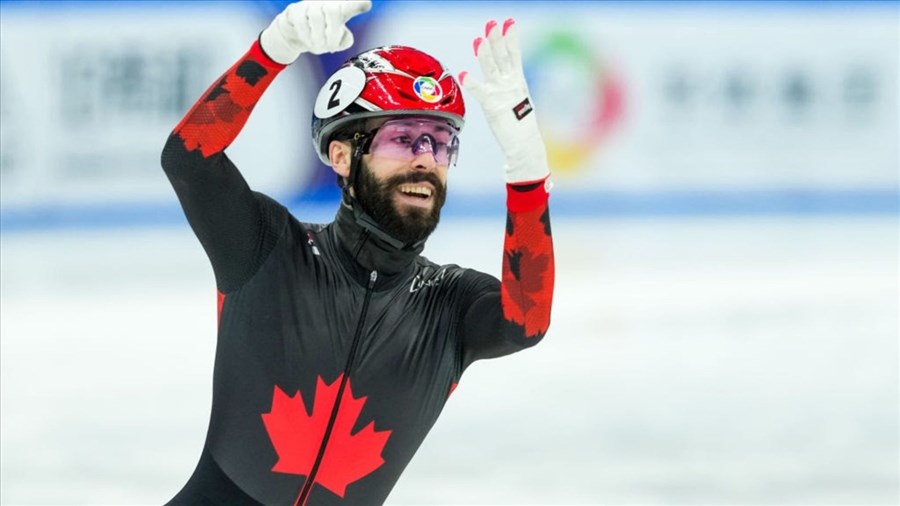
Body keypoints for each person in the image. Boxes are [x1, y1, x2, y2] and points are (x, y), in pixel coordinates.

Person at [160, 0, 554, 504]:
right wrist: (272, 50)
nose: (425, 160)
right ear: (343, 155)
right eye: (403, 139)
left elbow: (527, 321)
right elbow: (189, 160)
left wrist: (527, 170)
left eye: (440, 142)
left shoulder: (448, 303)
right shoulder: (270, 250)